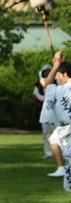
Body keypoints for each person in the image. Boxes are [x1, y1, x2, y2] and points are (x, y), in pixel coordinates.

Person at [40, 50, 71, 180]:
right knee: (53, 140)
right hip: (65, 126)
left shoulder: (65, 88)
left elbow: (47, 85)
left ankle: (61, 168)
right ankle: (61, 168)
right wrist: (57, 65)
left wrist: (56, 65)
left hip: (67, 126)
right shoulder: (62, 88)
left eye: (58, 75)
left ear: (64, 74)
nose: (57, 78)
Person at [35, 64, 55, 159]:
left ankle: (59, 152)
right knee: (46, 133)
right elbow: (38, 95)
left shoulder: (57, 82)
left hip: (56, 110)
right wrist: (44, 98)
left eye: (49, 71)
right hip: (45, 111)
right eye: (45, 71)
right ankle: (48, 152)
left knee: (57, 132)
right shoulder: (39, 84)